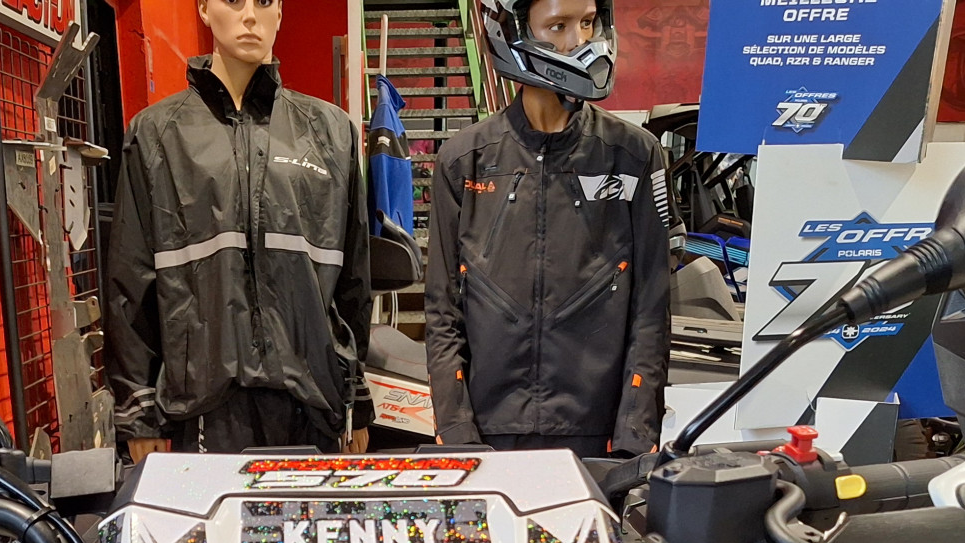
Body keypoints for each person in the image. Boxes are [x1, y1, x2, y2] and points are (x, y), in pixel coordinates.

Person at [105, 0, 373, 459]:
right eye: (233, 0)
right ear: (204, 9)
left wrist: (356, 400)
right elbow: (130, 278)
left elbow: (354, 280)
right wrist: (138, 410)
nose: (250, 15)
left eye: (265, 1)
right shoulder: (156, 134)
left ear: (280, 12)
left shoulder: (331, 131)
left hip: (311, 401)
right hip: (201, 407)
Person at [425, 0, 669, 459]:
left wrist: (635, 433)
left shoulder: (634, 154)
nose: (579, 41)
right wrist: (456, 428)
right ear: (514, 32)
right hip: (489, 432)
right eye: (557, 26)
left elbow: (651, 307)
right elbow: (443, 309)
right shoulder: (463, 160)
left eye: (588, 22)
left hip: (597, 433)